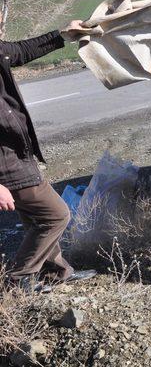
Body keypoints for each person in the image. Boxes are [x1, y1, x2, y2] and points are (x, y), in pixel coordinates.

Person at [1, 21, 98, 292]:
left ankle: (57, 272)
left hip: (17, 156)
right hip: (6, 166)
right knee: (56, 216)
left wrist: (64, 34)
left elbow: (22, 49)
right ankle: (17, 279)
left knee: (38, 220)